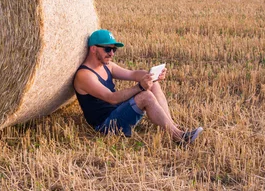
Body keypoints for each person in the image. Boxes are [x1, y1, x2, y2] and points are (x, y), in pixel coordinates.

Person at [74, 29, 203, 145]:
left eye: (114, 50)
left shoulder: (107, 66)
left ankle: (173, 126)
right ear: (93, 49)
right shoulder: (85, 75)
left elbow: (133, 74)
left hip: (117, 111)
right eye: (107, 49)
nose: (112, 53)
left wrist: (151, 76)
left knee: (153, 84)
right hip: (106, 124)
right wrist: (140, 87)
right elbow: (111, 98)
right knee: (145, 96)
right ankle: (178, 137)